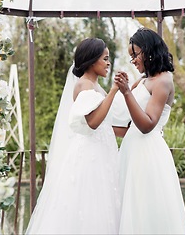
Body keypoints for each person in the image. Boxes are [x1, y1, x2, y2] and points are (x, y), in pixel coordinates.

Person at [25, 38, 120, 234]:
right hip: (90, 157)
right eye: (105, 58)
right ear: (92, 60)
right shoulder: (84, 85)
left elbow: (105, 123)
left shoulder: (95, 86)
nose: (108, 63)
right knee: (89, 207)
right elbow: (93, 122)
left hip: (103, 153)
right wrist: (114, 90)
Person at [114, 28, 185, 234]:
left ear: (148, 51)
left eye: (135, 55)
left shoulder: (164, 81)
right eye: (131, 57)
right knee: (131, 210)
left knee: (146, 212)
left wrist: (127, 92)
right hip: (131, 151)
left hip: (148, 154)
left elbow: (147, 124)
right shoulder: (144, 80)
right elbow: (130, 126)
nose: (133, 61)